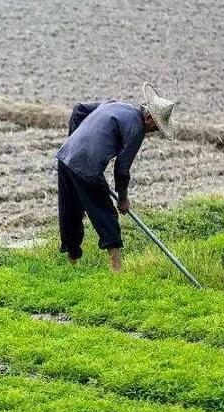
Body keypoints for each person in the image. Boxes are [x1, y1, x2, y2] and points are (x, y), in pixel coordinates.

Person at [55, 83, 178, 272]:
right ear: (148, 117)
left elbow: (78, 109)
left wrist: (74, 142)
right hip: (87, 166)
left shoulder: (114, 104)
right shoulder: (137, 128)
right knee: (106, 213)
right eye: (157, 126)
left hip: (65, 157)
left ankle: (72, 263)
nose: (156, 131)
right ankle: (116, 270)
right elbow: (122, 169)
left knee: (70, 208)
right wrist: (123, 199)